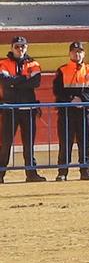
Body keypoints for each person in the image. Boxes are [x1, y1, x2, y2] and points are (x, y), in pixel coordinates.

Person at [0, 35, 46, 183]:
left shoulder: (33, 63)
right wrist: (24, 79)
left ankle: (31, 174)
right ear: (11, 48)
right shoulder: (4, 63)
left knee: (28, 143)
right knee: (6, 143)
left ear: (27, 47)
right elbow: (5, 82)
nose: (20, 49)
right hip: (10, 108)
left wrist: (15, 82)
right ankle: (0, 174)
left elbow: (36, 82)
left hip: (27, 108)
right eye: (17, 46)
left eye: (23, 46)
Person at [53, 41, 89, 181]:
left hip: (84, 111)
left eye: (79, 51)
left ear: (83, 54)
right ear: (69, 53)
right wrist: (71, 99)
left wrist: (82, 99)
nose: (77, 54)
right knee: (65, 142)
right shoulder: (62, 70)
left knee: (85, 141)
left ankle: (85, 170)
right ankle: (62, 171)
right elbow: (57, 90)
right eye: (74, 51)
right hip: (67, 111)